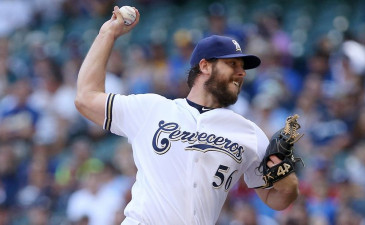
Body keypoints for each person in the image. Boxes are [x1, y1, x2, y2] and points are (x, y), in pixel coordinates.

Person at [75, 6, 299, 225]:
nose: (241, 73)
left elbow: (276, 199)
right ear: (205, 66)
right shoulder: (152, 108)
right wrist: (108, 33)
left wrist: (285, 172)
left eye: (242, 67)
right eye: (232, 64)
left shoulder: (249, 133)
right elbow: (86, 98)